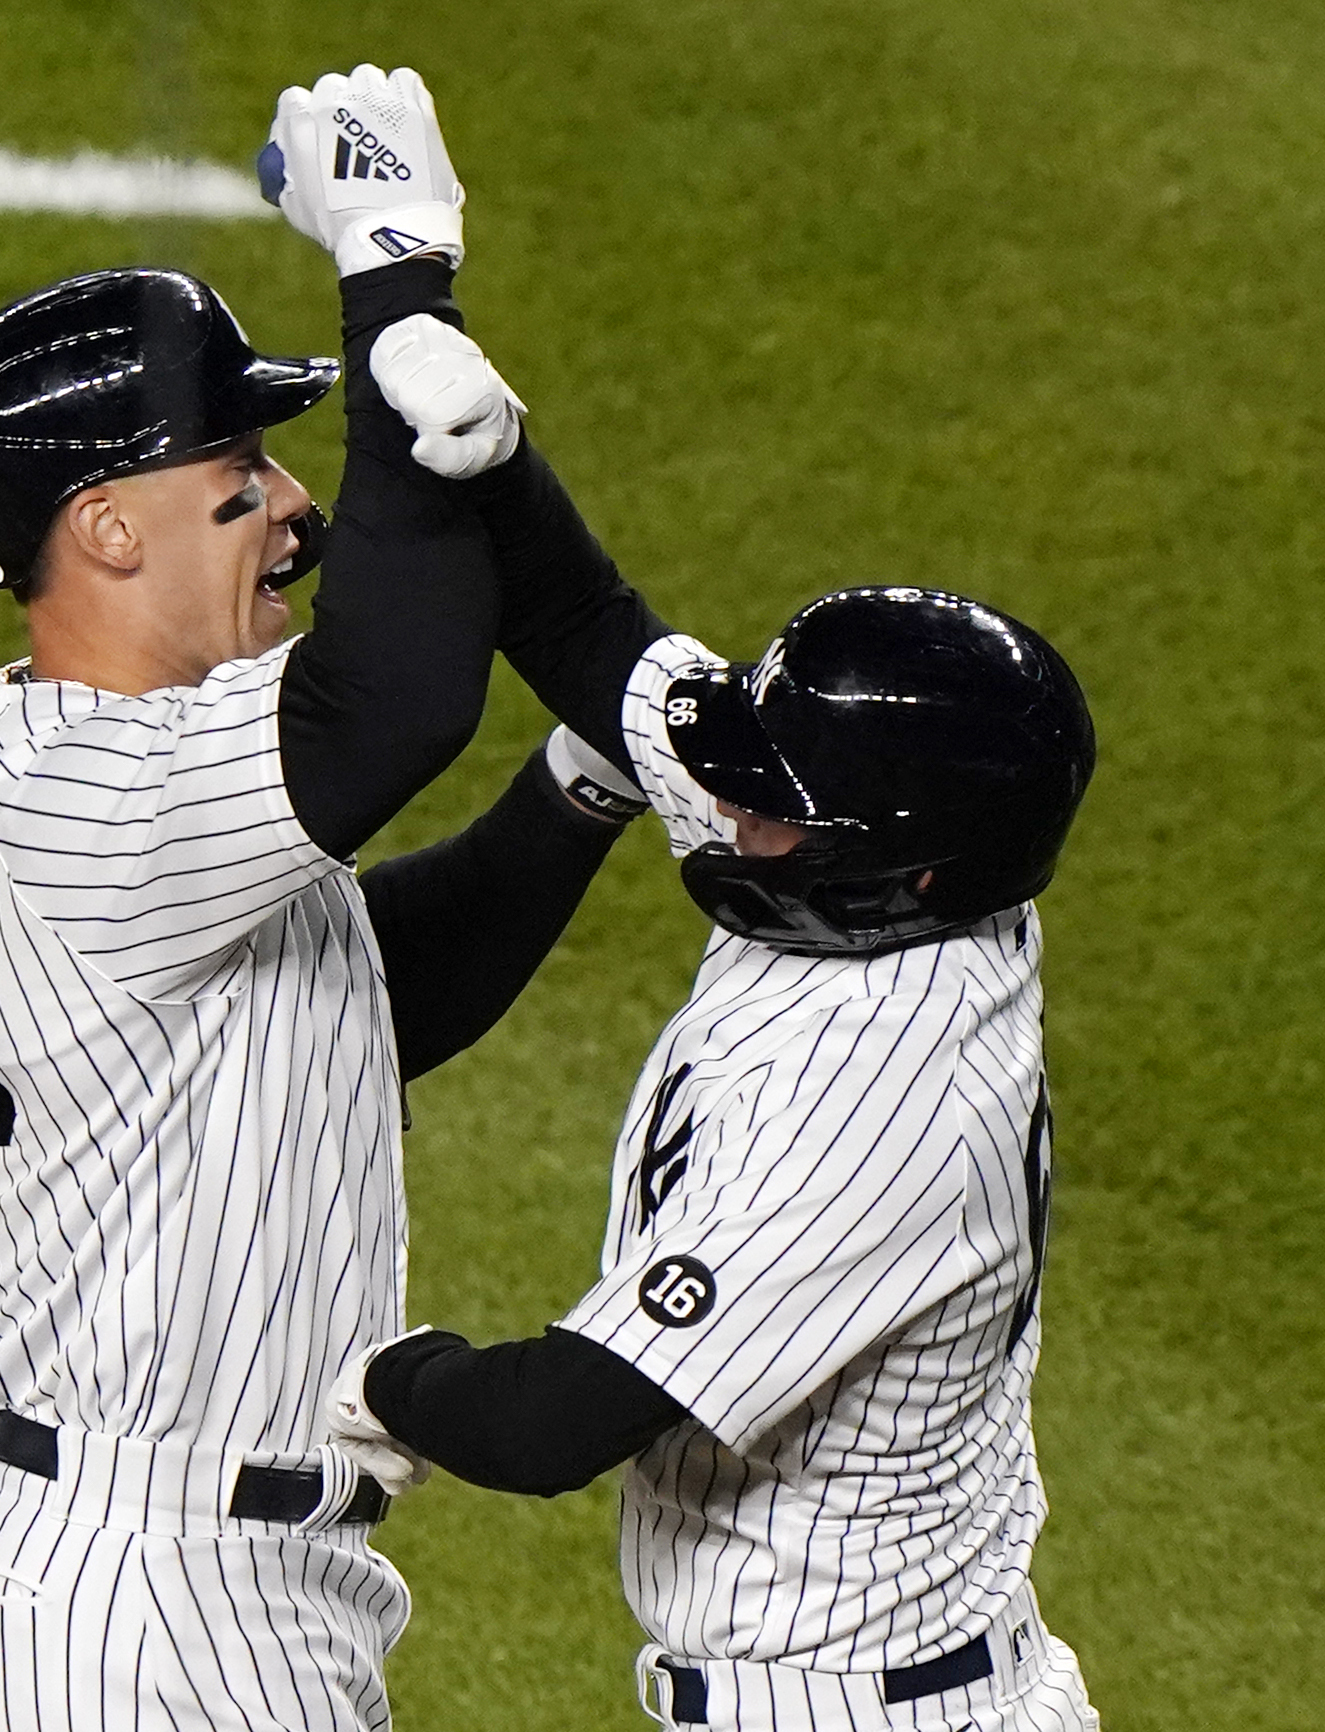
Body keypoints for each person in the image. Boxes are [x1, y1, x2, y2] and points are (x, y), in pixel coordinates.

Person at [0, 67, 647, 1732]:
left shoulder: (147, 774)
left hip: (197, 1592)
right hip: (126, 1609)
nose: (296, 506)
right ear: (103, 528)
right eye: (239, 464)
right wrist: (395, 270)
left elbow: (363, 995)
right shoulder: (78, 792)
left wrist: (586, 785)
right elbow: (395, 701)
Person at [313, 330, 1107, 1730]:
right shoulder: (880, 874)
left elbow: (557, 1420)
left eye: (771, 804)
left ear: (902, 864)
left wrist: (389, 1377)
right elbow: (595, 638)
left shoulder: (889, 1102)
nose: (731, 805)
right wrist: (491, 453)